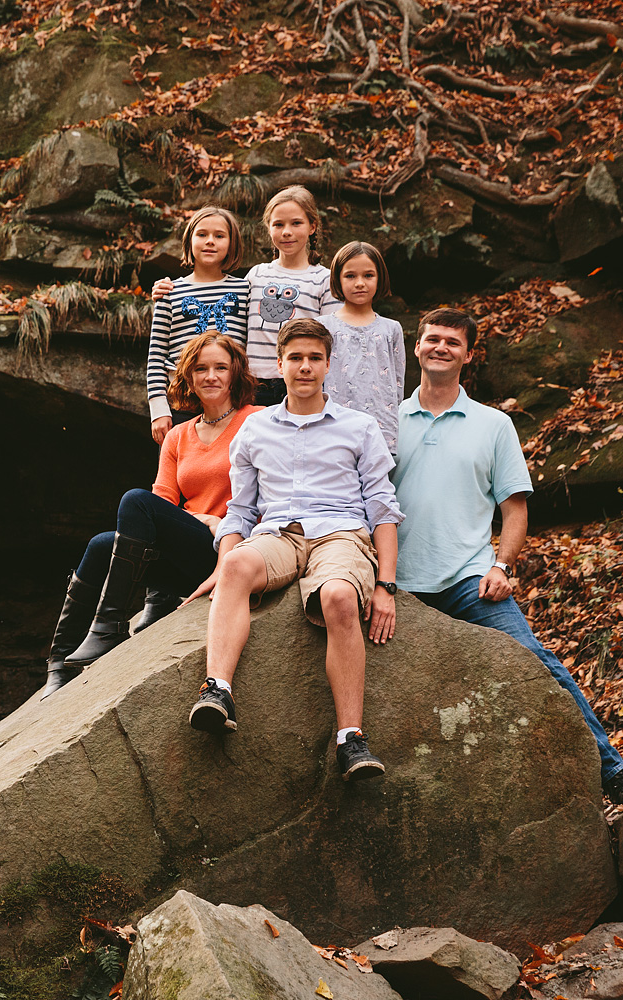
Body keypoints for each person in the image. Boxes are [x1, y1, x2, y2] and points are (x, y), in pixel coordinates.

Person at [393, 307, 623, 806]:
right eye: (432, 339)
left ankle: (612, 772)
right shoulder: (387, 419)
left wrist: (501, 566)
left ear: (468, 355)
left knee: (535, 661)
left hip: (469, 581)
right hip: (398, 587)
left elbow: (513, 510)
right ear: (417, 347)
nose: (440, 347)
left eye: (452, 341)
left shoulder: (494, 425)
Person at [183, 318, 402, 781]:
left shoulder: (359, 427)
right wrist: (224, 562)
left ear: (328, 364)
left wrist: (385, 585)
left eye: (315, 358)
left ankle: (351, 739)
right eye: (296, 358)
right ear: (279, 365)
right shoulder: (256, 429)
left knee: (339, 597)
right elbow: (240, 511)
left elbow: (383, 510)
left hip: (341, 535)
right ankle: (218, 690)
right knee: (239, 563)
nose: (305, 367)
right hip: (279, 534)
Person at [42, 332, 261, 698]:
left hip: (229, 549)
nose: (211, 376)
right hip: (186, 554)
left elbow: (272, 492)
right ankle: (59, 664)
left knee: (134, 500)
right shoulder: (178, 436)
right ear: (188, 377)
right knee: (100, 544)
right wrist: (193, 521)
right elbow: (161, 505)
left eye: (220, 368)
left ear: (235, 374)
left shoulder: (256, 420)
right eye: (201, 368)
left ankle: (108, 626)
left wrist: (219, 524)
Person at [152, 185, 338, 408]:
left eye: (296, 223)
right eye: (278, 224)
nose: (287, 231)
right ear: (269, 228)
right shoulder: (256, 276)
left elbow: (333, 343)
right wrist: (164, 287)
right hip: (253, 385)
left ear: (312, 226)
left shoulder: (325, 279)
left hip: (301, 381)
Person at [146, 206, 251, 446]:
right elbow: (156, 355)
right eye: (202, 234)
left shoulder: (244, 290)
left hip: (230, 400)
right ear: (189, 240)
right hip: (182, 401)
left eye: (219, 236)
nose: (210, 242)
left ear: (232, 243)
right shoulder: (170, 292)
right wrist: (159, 410)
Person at [318, 241, 405, 455]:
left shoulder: (391, 328)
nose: (359, 283)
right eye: (350, 276)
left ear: (380, 278)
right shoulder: (323, 326)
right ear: (337, 278)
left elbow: (398, 383)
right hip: (333, 429)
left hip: (381, 430)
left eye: (368, 275)